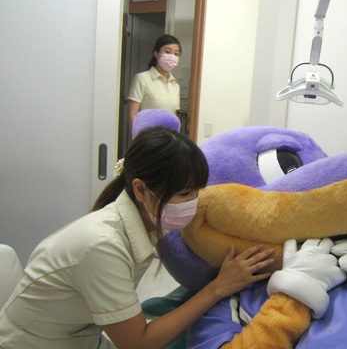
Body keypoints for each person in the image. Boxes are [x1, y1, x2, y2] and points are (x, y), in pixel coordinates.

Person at [0, 127, 276, 349]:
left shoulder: (146, 217)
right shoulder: (102, 245)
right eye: (184, 194)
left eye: (197, 193)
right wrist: (218, 288)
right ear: (141, 189)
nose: (193, 204)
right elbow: (137, 343)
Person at [127, 35, 182, 129]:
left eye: (176, 54)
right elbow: (132, 115)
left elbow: (173, 117)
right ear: (156, 53)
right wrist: (138, 136)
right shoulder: (142, 79)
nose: (172, 56)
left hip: (168, 136)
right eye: (167, 52)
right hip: (147, 135)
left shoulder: (175, 85)